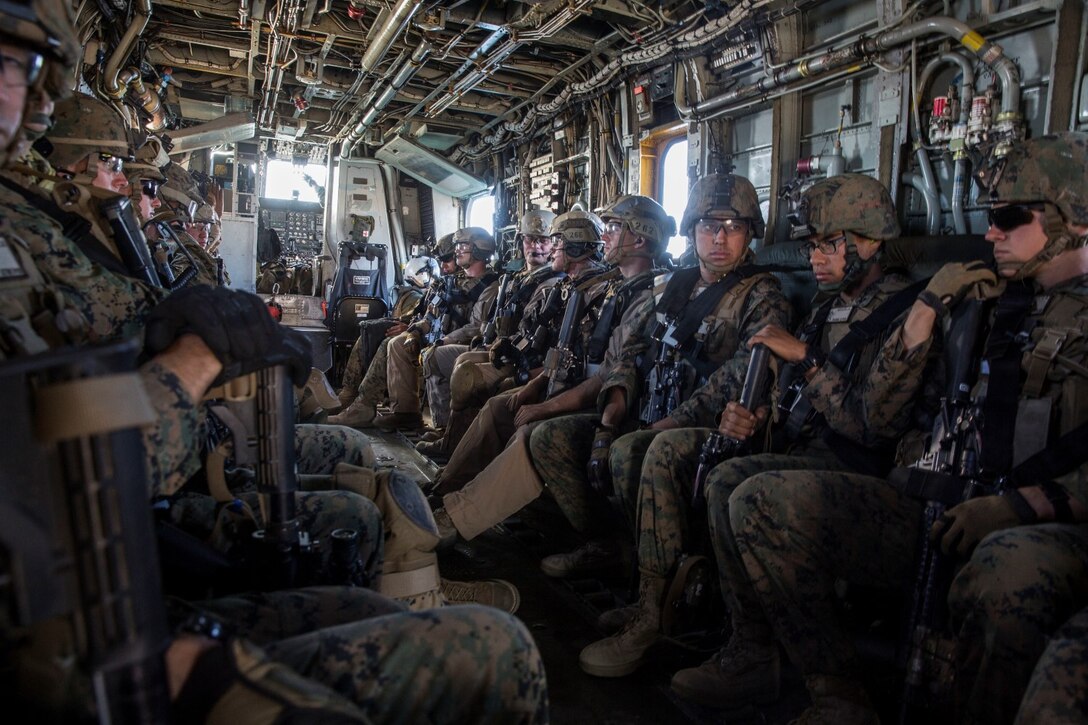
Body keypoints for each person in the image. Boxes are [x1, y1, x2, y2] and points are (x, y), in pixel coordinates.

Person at [0, 3, 549, 720]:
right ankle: (381, 455)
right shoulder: (42, 235)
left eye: (18, 68)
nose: (131, 189)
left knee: (385, 444)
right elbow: (67, 455)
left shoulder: (38, 233)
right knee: (378, 442)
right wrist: (195, 358)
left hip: (124, 541)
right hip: (86, 592)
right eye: (116, 170)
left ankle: (414, 552)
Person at [718, 132, 1088, 723]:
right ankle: (833, 694)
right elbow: (899, 414)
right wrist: (924, 315)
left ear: (1076, 219)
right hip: (933, 498)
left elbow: (870, 423)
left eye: (1009, 218)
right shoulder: (985, 301)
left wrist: (1024, 505)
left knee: (1008, 570)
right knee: (753, 497)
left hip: (1032, 518)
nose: (991, 233)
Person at [528, 174, 790, 590]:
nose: (720, 238)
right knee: (549, 438)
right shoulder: (674, 284)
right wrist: (610, 417)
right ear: (692, 230)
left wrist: (662, 427)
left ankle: (656, 593)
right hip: (646, 411)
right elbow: (631, 352)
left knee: (632, 451)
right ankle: (608, 545)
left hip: (701, 427)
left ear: (749, 233)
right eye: (709, 226)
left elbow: (735, 381)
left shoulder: (762, 296)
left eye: (733, 227)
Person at [430, 195, 672, 542]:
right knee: (500, 407)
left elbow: (606, 375)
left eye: (615, 228)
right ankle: (446, 488)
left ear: (641, 238)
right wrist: (537, 384)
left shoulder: (646, 297)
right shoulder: (616, 288)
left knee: (530, 431)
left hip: (612, 405)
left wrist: (546, 406)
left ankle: (456, 520)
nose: (604, 236)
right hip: (577, 387)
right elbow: (573, 352)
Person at [373, 226, 499, 431]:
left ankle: (443, 427)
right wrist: (416, 331)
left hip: (465, 343)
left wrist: (443, 341)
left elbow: (476, 327)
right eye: (457, 246)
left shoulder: (491, 286)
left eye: (463, 246)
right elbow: (433, 314)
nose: (457, 250)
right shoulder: (453, 281)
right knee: (398, 344)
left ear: (479, 249)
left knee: (435, 354)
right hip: (441, 336)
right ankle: (405, 413)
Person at [330, 233, 458, 425]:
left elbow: (447, 323)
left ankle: (365, 404)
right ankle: (349, 393)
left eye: (447, 259)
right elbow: (422, 312)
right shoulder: (441, 285)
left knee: (389, 343)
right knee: (369, 331)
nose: (443, 265)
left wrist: (412, 329)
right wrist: (400, 322)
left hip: (439, 338)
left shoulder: (465, 289)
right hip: (422, 329)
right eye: (440, 260)